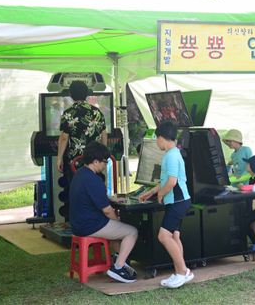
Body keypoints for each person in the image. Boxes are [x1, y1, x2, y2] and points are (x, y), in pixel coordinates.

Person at [69, 141, 138, 283]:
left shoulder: (80, 173)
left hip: (79, 224)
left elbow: (91, 194)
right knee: (131, 232)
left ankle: (119, 259)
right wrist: (118, 223)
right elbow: (107, 211)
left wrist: (111, 198)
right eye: (104, 162)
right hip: (90, 225)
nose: (105, 165)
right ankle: (118, 268)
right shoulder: (94, 180)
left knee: (116, 232)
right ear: (95, 162)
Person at [139, 122, 194, 288]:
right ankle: (181, 272)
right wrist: (153, 192)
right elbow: (165, 181)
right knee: (174, 236)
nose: (157, 142)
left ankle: (183, 272)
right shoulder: (174, 153)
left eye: (156, 139)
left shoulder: (170, 155)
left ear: (161, 138)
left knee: (163, 236)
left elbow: (172, 182)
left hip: (178, 202)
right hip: (178, 201)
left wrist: (161, 194)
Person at [57, 81, 107, 182]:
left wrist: (59, 158)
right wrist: (104, 156)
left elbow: (64, 138)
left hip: (76, 161)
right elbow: (104, 135)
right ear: (86, 95)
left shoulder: (68, 114)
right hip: (95, 161)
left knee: (78, 189)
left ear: (70, 94)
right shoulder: (97, 112)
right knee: (95, 189)